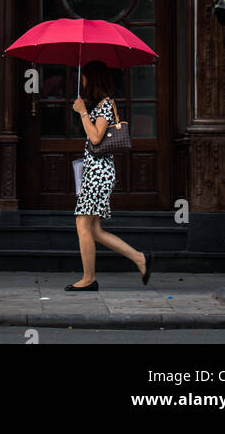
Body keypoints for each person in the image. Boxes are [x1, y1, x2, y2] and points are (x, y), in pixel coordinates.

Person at [68, 60, 151, 292]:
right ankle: (140, 259)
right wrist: (83, 113)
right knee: (94, 230)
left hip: (99, 173)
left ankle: (88, 279)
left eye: (84, 77)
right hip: (94, 171)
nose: (82, 81)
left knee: (82, 224)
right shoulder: (100, 105)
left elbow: (95, 138)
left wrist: (83, 112)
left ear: (93, 79)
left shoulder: (105, 104)